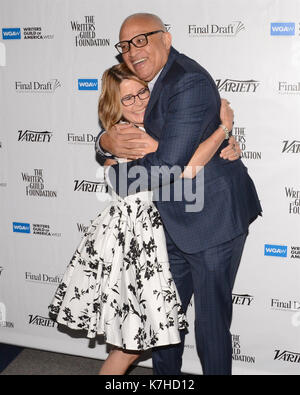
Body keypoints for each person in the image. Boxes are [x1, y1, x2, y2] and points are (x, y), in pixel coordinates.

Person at [95, 13, 262, 375]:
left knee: (211, 326)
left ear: (166, 39)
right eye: (124, 46)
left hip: (211, 221)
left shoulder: (185, 81)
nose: (132, 51)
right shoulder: (154, 80)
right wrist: (104, 143)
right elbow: (161, 147)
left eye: (141, 40)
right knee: (164, 322)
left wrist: (116, 175)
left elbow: (173, 163)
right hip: (167, 225)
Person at [49, 62, 239, 375]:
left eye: (142, 92)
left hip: (151, 245)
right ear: (114, 105)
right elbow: (187, 168)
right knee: (129, 346)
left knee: (138, 337)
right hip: (136, 251)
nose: (140, 102)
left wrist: (228, 144)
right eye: (128, 99)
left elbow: (184, 152)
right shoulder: (129, 137)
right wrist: (223, 129)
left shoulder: (148, 128)